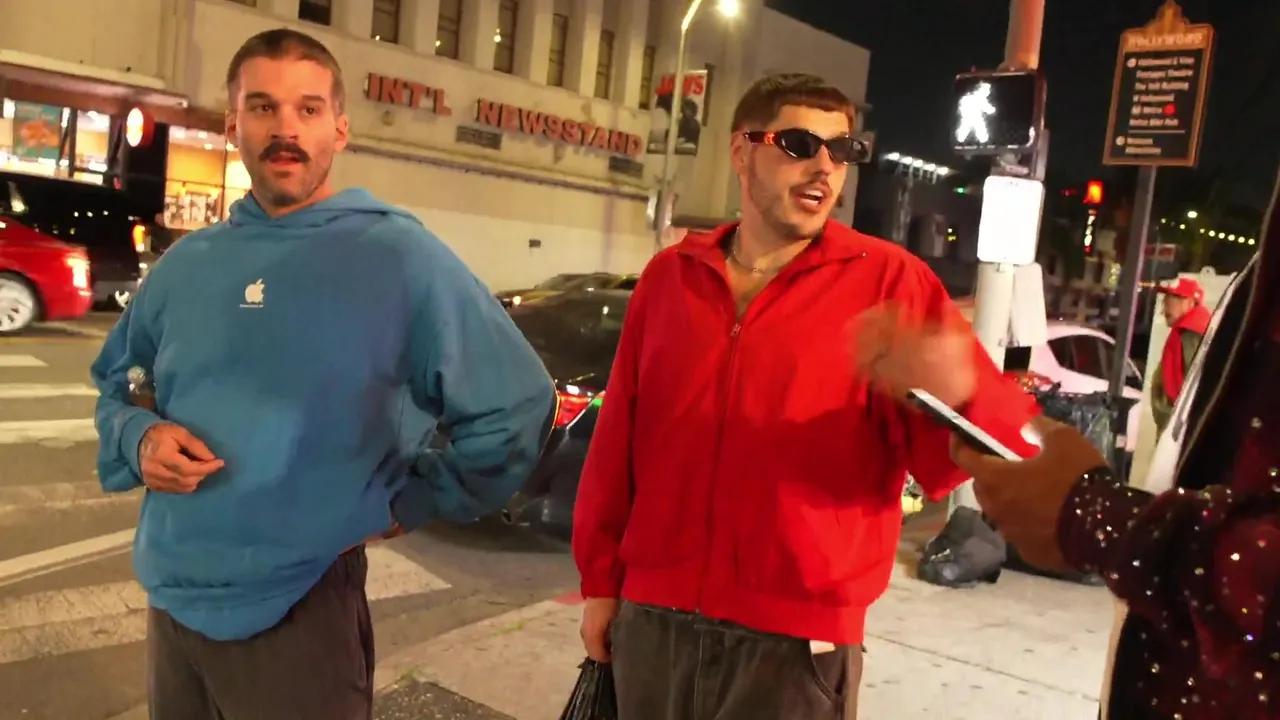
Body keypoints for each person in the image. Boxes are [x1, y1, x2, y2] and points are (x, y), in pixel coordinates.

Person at [91, 28, 554, 720]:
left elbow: (515, 404)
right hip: (173, 598)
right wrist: (138, 438)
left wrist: (415, 500)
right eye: (262, 107)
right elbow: (119, 384)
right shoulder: (187, 265)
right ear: (232, 125)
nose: (286, 129)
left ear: (340, 127)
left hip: (300, 608)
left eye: (307, 109)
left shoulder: (398, 257)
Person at [571, 72, 1040, 720]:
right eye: (799, 144)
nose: (824, 167)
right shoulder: (670, 278)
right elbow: (618, 441)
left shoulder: (888, 281)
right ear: (742, 152)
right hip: (653, 623)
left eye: (842, 150)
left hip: (797, 645)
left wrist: (955, 385)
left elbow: (999, 449)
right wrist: (602, 584)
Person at [945, 172, 1280, 718]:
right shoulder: (1249, 284)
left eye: (1172, 301)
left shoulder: (1196, 330)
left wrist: (1095, 516)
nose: (1166, 309)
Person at [1149, 276, 1211, 434]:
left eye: (1172, 299)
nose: (1163, 309)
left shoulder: (1191, 333)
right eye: (1165, 300)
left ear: (1190, 302)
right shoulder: (1191, 330)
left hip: (1178, 428)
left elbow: (1197, 385)